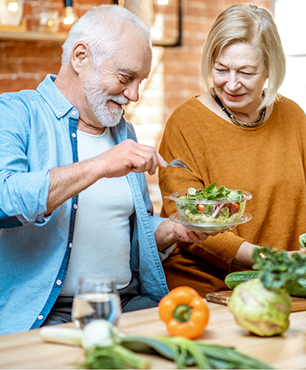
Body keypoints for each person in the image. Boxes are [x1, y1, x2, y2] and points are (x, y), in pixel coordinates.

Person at [0, 5, 212, 335]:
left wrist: (173, 231)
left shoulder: (123, 133)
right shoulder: (15, 114)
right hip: (47, 313)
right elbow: (4, 199)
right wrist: (100, 165)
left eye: (140, 81)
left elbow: (128, 229)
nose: (134, 95)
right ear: (80, 57)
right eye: (126, 78)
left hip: (126, 303)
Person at [158, 3, 306, 297]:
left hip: (282, 285)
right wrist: (269, 259)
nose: (231, 83)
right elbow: (187, 224)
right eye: (221, 69)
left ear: (270, 67)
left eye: (246, 71)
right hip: (209, 291)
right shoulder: (186, 123)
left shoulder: (293, 116)